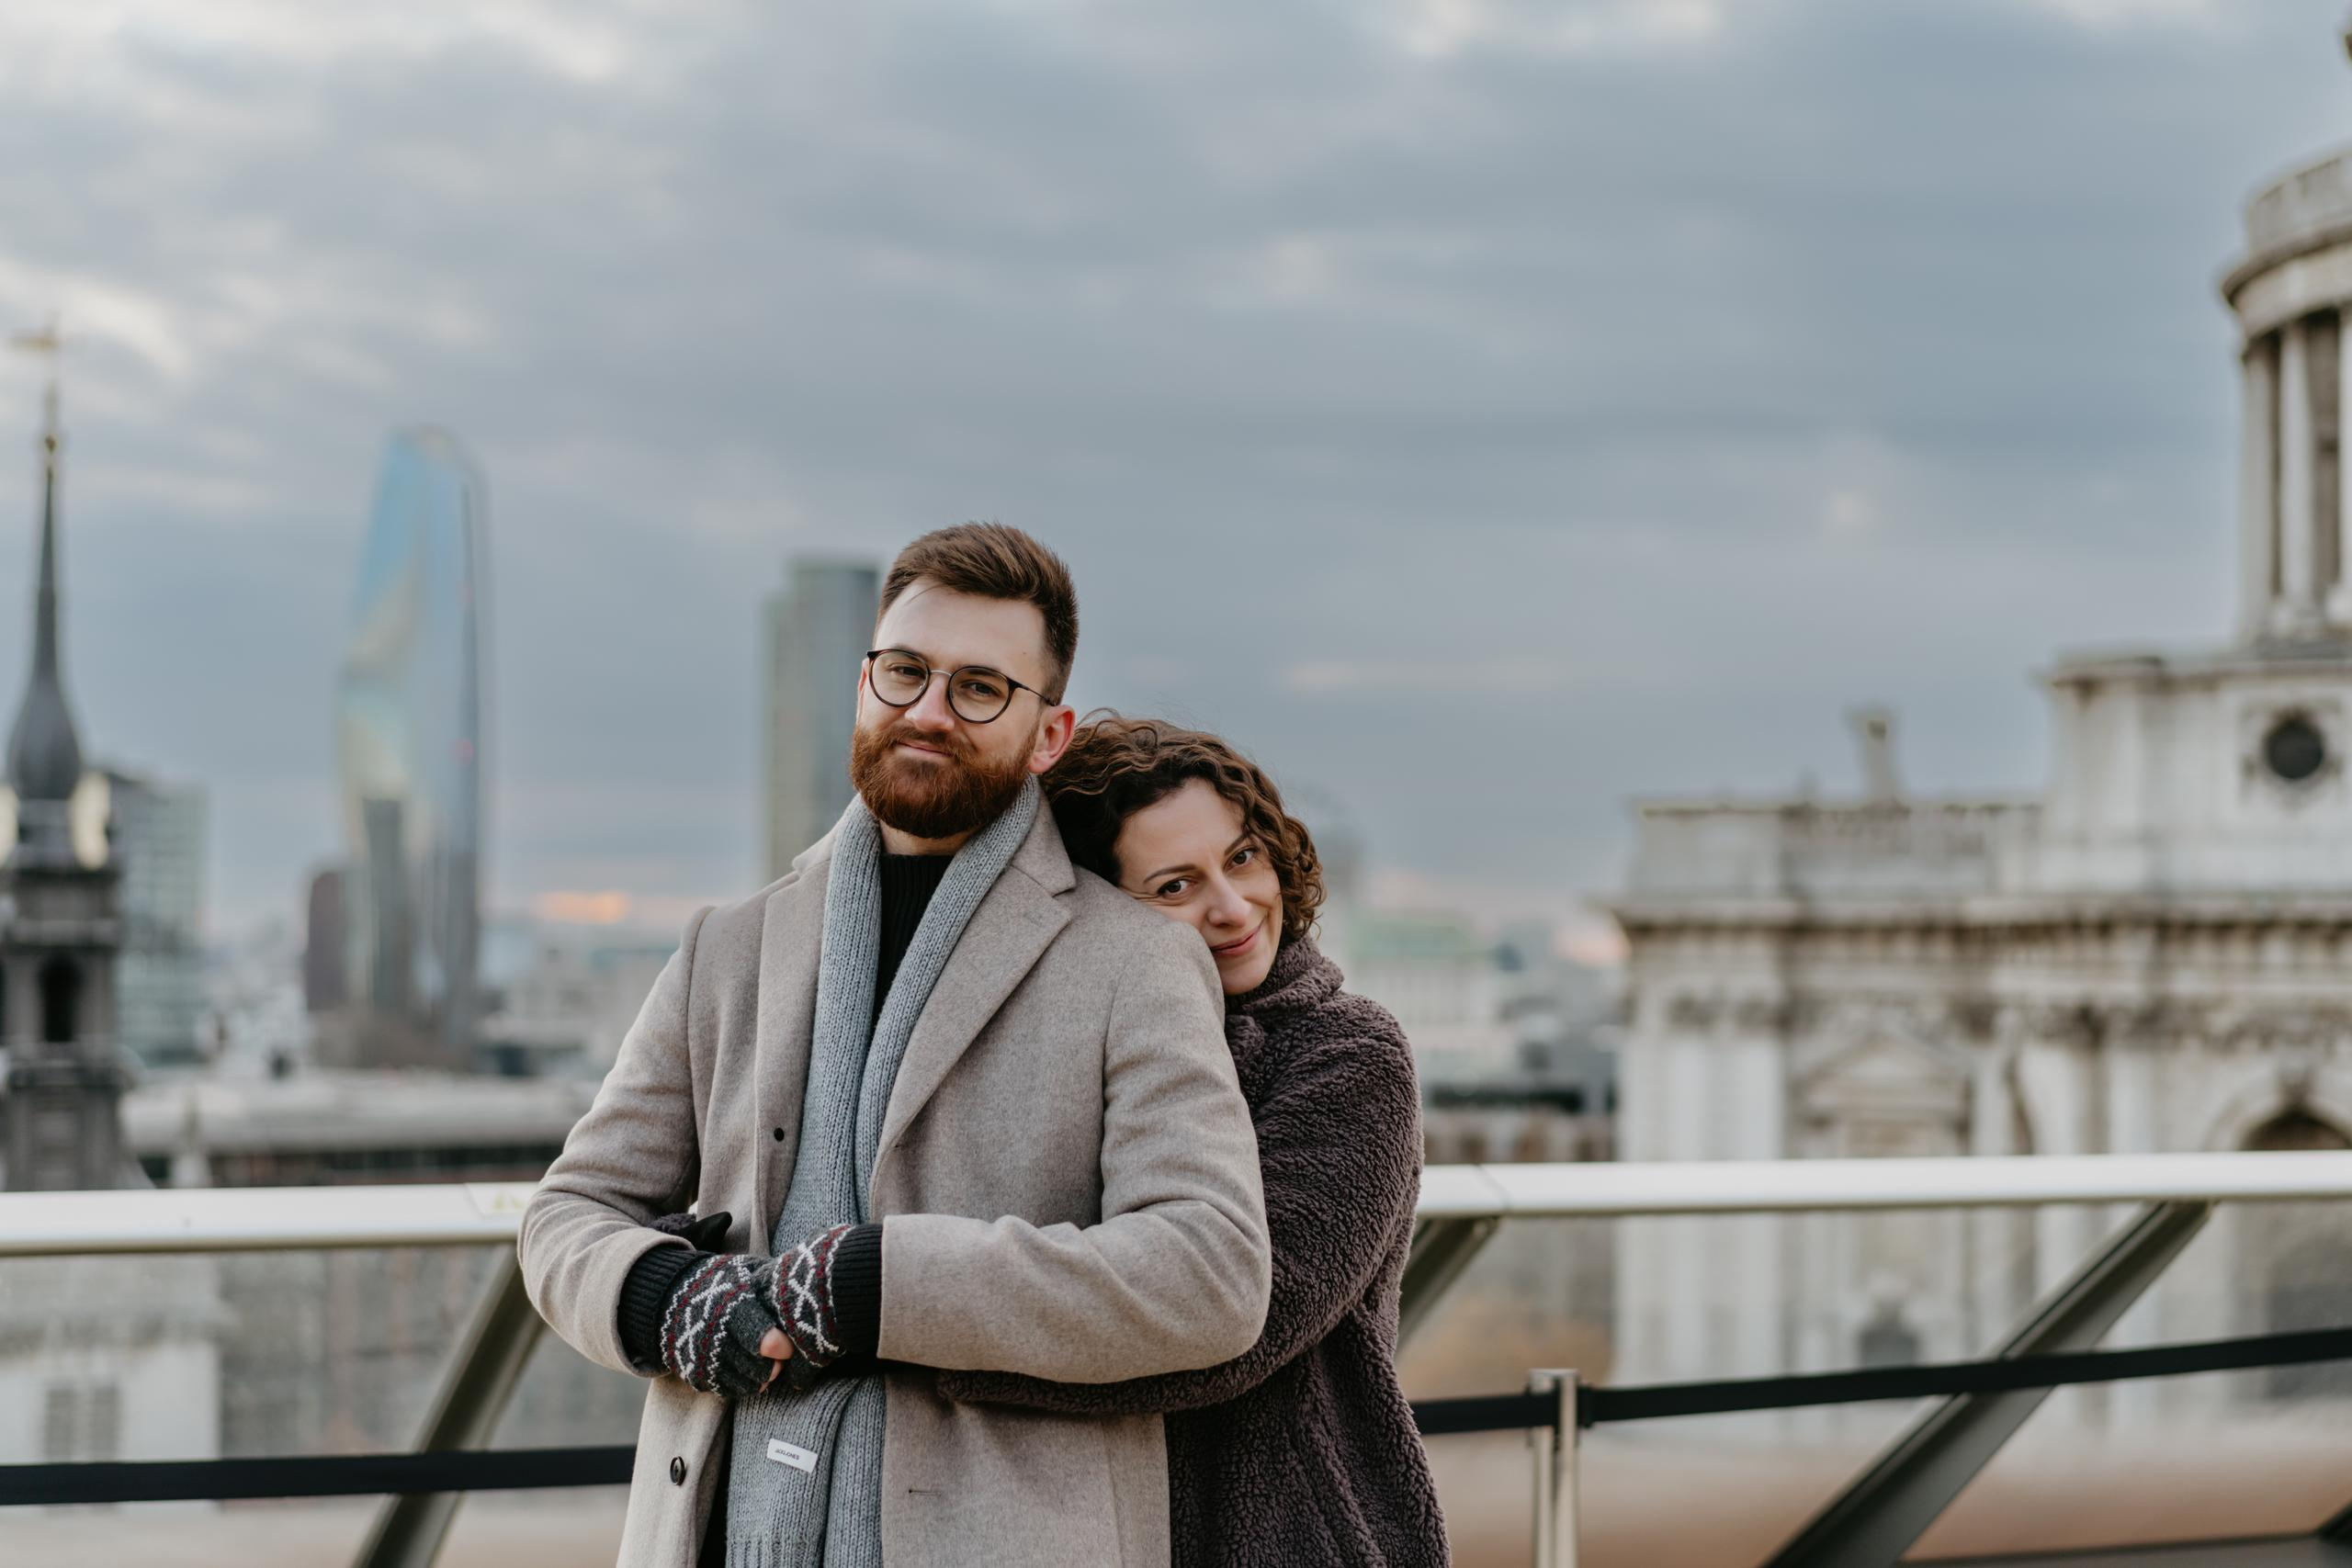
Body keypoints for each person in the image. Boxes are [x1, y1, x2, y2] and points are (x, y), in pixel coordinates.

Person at [519, 526, 1272, 1568]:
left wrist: (884, 1288)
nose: (927, 709)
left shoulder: (1134, 963)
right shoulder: (725, 948)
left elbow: (1210, 1276)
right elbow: (566, 1215)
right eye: (905, 672)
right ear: (862, 684)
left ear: (1047, 735)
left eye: (978, 688)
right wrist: (662, 1299)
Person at [936, 715, 1449, 1567]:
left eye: (1243, 856)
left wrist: (913, 1342)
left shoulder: (1349, 1053)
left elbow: (1230, 1326)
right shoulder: (1057, 1056)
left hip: (1296, 1537)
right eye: (1174, 887)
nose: (1232, 905)